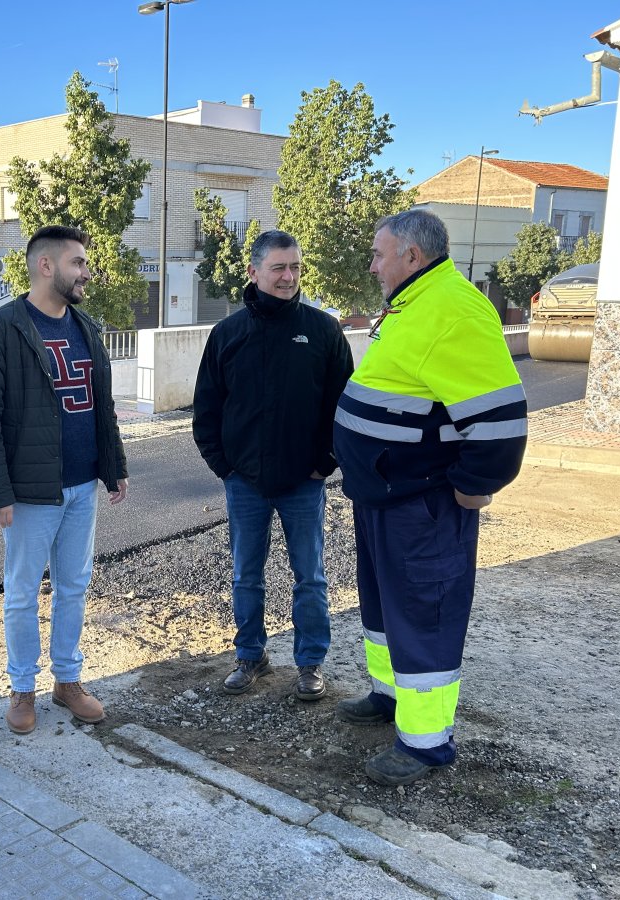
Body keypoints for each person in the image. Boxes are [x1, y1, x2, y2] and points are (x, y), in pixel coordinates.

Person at [332, 209, 527, 785]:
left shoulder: (454, 308)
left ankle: (425, 743)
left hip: (422, 501)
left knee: (424, 612)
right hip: (383, 495)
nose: (372, 265)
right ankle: (390, 697)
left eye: (377, 254)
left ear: (412, 256)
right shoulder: (415, 300)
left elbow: (499, 425)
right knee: (386, 607)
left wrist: (472, 487)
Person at [0, 225, 128, 735]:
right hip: (31, 492)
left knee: (74, 586)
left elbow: (103, 403)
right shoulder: (4, 328)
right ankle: (21, 688)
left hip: (82, 487)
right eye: (77, 263)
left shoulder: (86, 326)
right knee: (21, 591)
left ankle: (68, 680)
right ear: (46, 266)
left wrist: (113, 463)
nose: (86, 272)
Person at [192, 230, 354, 701]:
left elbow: (343, 405)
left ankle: (309, 664)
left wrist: (326, 462)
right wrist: (225, 467)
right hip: (245, 482)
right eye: (279, 267)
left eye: (296, 267)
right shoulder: (228, 334)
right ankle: (251, 655)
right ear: (254, 272)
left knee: (311, 576)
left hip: (305, 481)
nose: (289, 277)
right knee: (246, 574)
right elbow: (207, 409)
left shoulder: (323, 331)